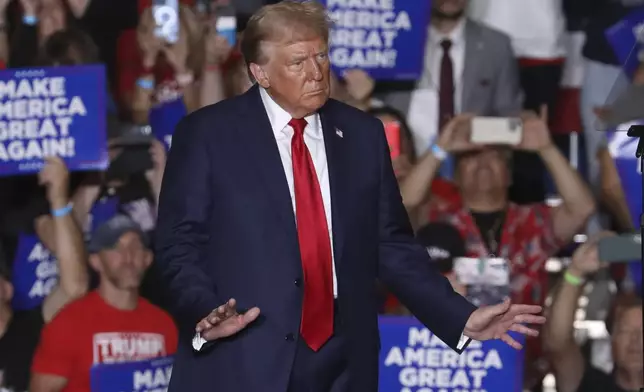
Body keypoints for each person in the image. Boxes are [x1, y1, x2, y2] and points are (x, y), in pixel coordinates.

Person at [154, 2, 545, 392]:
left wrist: (459, 317)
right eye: (297, 62)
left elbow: (390, 245)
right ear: (261, 73)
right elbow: (178, 245)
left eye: (321, 55)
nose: (316, 72)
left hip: (343, 362)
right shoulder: (208, 134)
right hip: (243, 353)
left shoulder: (362, 135)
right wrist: (203, 309)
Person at [29, 215, 178, 392]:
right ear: (96, 261)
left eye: (136, 247)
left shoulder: (164, 324)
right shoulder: (68, 324)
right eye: (116, 248)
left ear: (147, 259)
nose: (128, 257)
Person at [544, 233, 643, 392]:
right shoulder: (592, 385)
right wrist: (575, 272)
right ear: (612, 339)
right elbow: (559, 342)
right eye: (625, 330)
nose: (635, 341)